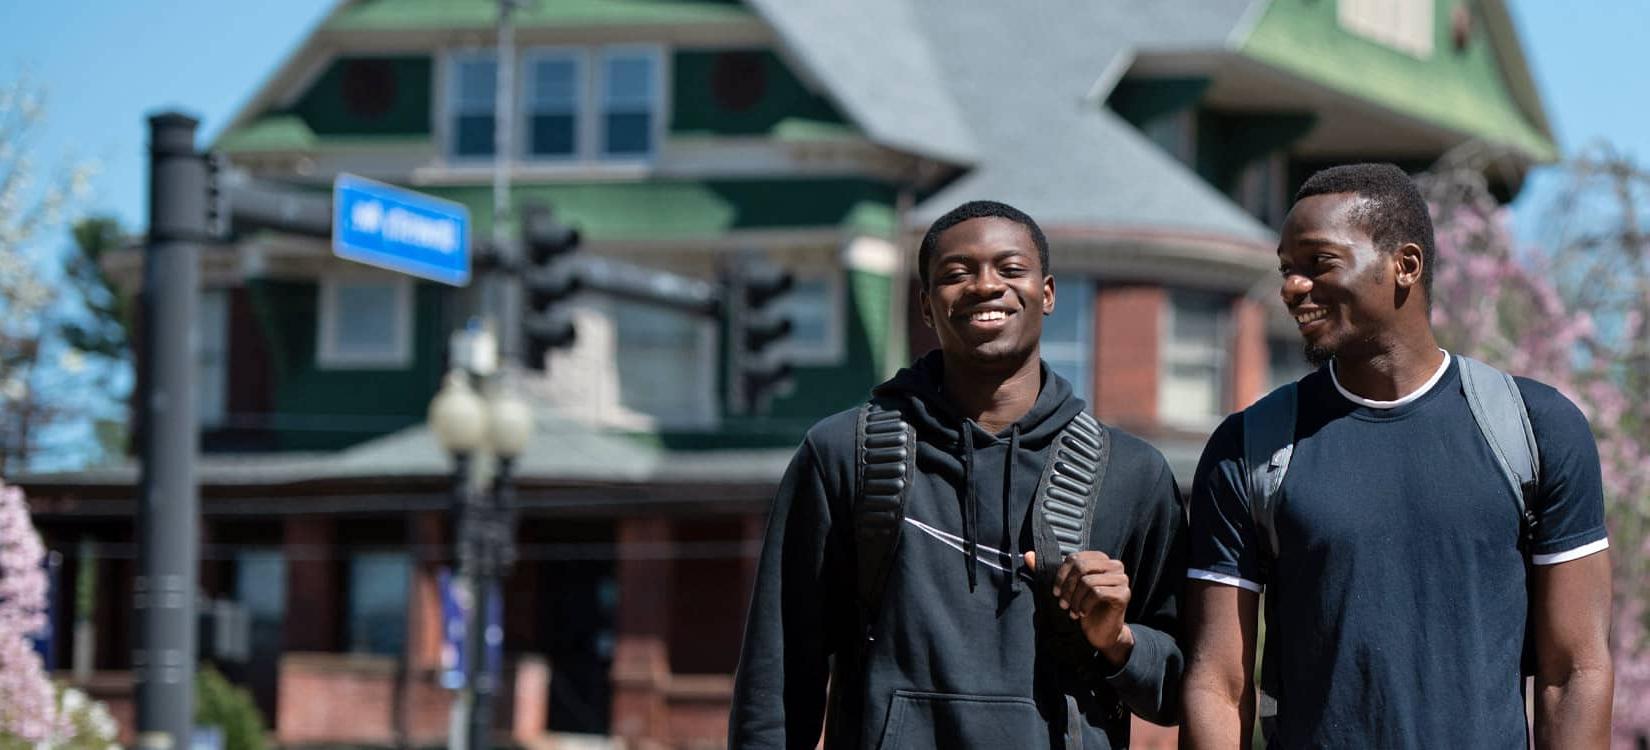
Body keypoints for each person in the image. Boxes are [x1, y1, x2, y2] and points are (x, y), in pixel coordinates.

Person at [1180, 164, 1614, 748]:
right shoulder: (1250, 448)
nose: (1292, 288)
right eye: (1287, 269)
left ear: (1404, 266)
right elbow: (1218, 683)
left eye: (1319, 263)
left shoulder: (1535, 429)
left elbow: (1575, 671)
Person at [729, 200, 1186, 748]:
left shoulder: (1132, 472)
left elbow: (1184, 686)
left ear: (1047, 294)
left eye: (1011, 269)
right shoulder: (844, 453)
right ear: (926, 305)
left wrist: (1118, 640)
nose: (985, 286)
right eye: (956, 273)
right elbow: (779, 670)